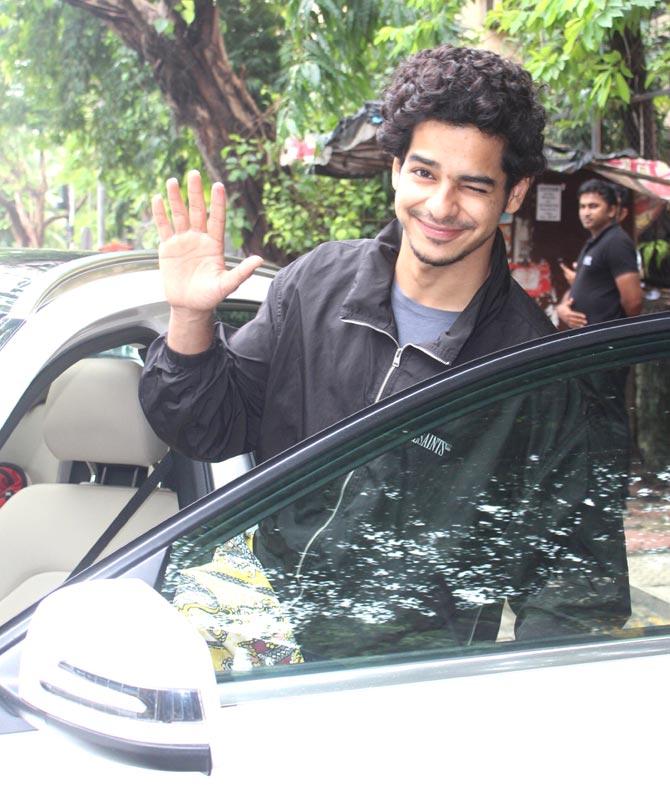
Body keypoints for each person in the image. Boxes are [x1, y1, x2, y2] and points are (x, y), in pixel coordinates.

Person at [140, 46, 630, 653]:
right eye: (424, 173)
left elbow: (571, 593)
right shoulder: (315, 283)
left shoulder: (535, 375)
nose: (441, 206)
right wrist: (190, 316)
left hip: (402, 687)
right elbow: (206, 427)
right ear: (396, 168)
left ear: (514, 193)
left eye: (473, 186)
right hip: (256, 647)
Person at [557, 179, 642, 329]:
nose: (586, 212)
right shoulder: (594, 242)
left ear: (612, 210)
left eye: (593, 206)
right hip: (588, 337)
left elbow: (633, 303)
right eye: (582, 207)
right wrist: (563, 308)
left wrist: (615, 333)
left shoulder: (616, 242)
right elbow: (580, 285)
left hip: (605, 341)